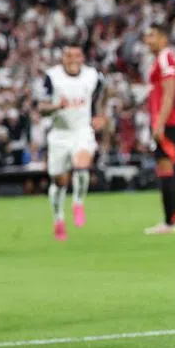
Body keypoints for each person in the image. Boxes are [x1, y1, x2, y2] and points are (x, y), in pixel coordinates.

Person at [37, 43, 104, 240]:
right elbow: (41, 107)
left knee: (82, 165)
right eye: (68, 55)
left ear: (82, 57)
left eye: (77, 55)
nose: (73, 60)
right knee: (59, 181)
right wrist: (57, 106)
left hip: (82, 130)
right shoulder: (52, 77)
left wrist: (99, 115)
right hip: (60, 134)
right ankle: (58, 219)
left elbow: (99, 96)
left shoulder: (93, 76)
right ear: (62, 58)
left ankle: (78, 202)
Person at [143, 23, 175, 234]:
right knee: (163, 169)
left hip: (168, 122)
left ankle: (172, 221)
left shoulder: (165, 57)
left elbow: (169, 93)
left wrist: (159, 123)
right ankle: (170, 219)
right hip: (167, 121)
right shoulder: (164, 58)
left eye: (152, 35)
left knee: (166, 169)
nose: (148, 40)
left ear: (163, 38)